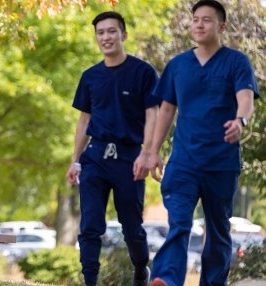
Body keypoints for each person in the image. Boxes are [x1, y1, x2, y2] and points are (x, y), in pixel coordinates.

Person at [147, 1, 260, 285]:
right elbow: (166, 110)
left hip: (221, 163)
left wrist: (240, 121)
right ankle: (167, 279)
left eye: (206, 20)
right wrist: (152, 151)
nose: (198, 24)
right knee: (179, 223)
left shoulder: (236, 62)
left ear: (221, 27)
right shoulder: (177, 65)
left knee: (218, 230)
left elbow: (245, 99)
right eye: (195, 19)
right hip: (183, 162)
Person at [65, 11, 160, 286]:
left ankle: (141, 267)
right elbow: (84, 119)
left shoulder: (143, 72)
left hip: (131, 157)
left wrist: (149, 152)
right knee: (90, 224)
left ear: (124, 35)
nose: (105, 37)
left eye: (111, 31)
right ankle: (90, 280)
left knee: (131, 226)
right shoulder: (90, 76)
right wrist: (75, 160)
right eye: (100, 33)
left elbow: (153, 114)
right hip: (95, 158)